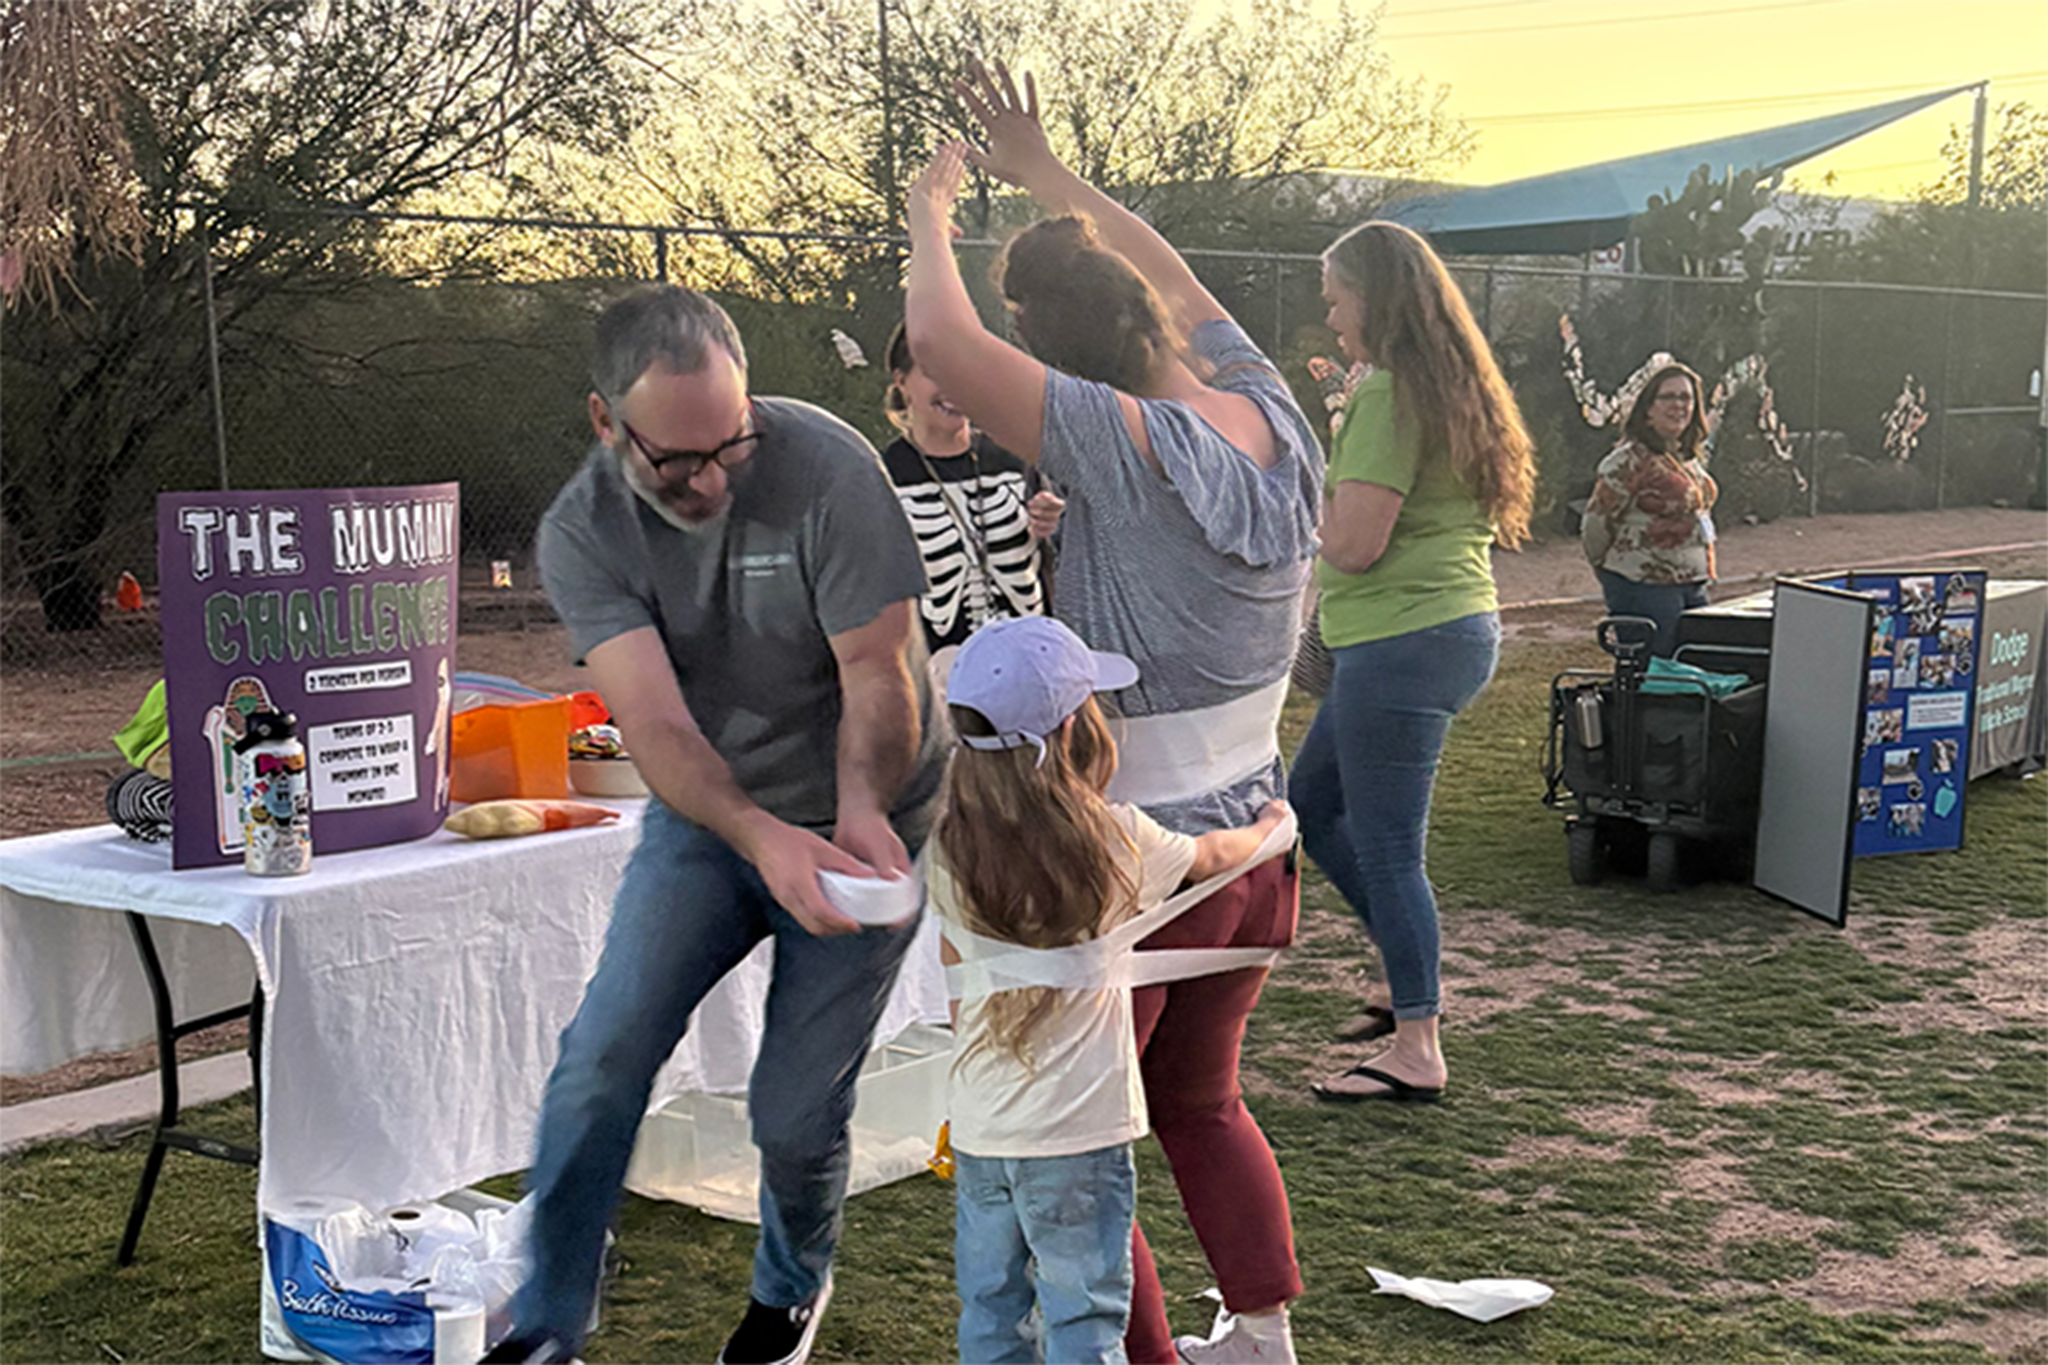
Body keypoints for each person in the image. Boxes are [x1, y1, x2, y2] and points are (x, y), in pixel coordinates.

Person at [905, 59, 1323, 1365]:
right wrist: (1047, 176)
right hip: (1256, 849)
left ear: (1058, 360)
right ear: (1146, 319)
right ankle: (1262, 1336)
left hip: (1131, 868)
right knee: (1203, 1102)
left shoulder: (1111, 436)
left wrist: (928, 211)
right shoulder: (1273, 412)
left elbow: (941, 348)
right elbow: (1173, 274)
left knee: (1080, 1141)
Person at [482, 285, 945, 1365]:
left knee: (793, 1106)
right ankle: (549, 1320)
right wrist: (758, 835)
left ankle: (789, 1289)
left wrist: (860, 810)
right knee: (602, 1056)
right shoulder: (583, 534)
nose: (713, 480)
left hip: (865, 807)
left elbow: (876, 669)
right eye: (677, 460)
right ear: (605, 422)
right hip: (710, 816)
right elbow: (654, 726)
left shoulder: (827, 466)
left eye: (731, 443)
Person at [932, 616, 1291, 1365]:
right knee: (1085, 1314)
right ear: (1073, 728)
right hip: (1078, 1135)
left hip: (982, 1126)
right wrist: (1272, 829)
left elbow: (956, 982)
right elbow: (1212, 855)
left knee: (991, 1309)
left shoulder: (944, 844)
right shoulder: (1115, 837)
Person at [1290, 221, 1536, 1104]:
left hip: (1403, 641)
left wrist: (1290, 511)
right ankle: (1406, 980)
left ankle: (1418, 1044)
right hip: (1439, 631)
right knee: (1310, 804)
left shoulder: (1390, 394)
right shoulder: (1447, 386)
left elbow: (1354, 545)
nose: (1330, 315)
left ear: (1376, 298)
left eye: (1338, 297)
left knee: (1390, 846)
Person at [880, 321, 1065, 652]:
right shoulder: (881, 475)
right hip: (938, 668)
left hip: (1033, 657)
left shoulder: (1016, 455)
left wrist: (1056, 524)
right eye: (935, 373)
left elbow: (1059, 557)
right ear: (901, 381)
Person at [1579, 362, 1718, 657]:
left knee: (1697, 665)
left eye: (1686, 397)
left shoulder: (1687, 458)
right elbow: (1596, 525)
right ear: (1648, 409)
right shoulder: (1628, 461)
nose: (1679, 405)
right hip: (1644, 587)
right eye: (1668, 397)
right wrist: (1610, 573)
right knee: (1655, 672)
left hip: (1692, 582)